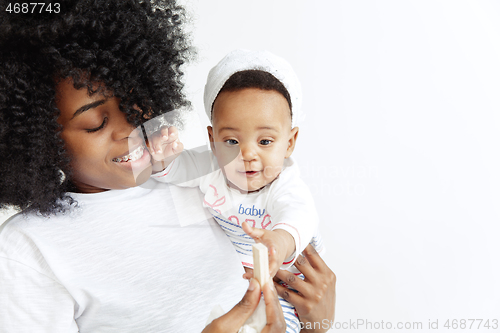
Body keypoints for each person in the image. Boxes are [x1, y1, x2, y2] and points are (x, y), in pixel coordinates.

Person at [0, 1, 336, 332]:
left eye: (134, 104)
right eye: (95, 123)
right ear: (37, 138)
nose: (130, 130)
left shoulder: (201, 179)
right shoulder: (29, 247)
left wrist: (317, 324)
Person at [148, 50, 324, 333]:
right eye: (231, 140)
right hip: (240, 278)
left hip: (286, 279)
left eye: (265, 141)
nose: (247, 154)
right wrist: (162, 159)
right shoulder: (211, 166)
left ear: (290, 143)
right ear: (212, 140)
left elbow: (300, 215)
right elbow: (177, 171)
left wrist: (279, 241)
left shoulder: (285, 185)